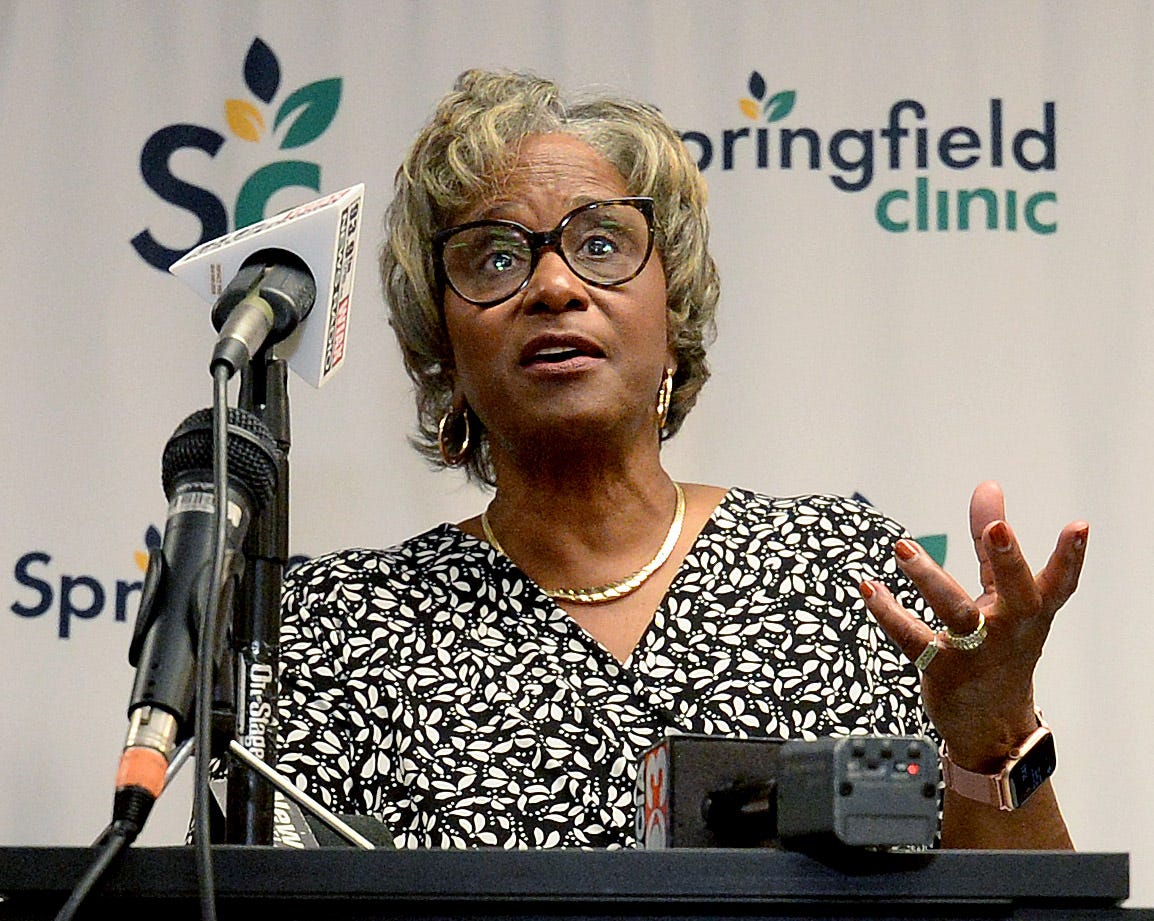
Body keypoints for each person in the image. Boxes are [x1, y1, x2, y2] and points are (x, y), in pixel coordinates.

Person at [275, 69, 1088, 850]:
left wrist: (995, 738)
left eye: (601, 242)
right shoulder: (337, 628)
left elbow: (1011, 913)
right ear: (443, 345)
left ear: (674, 315)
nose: (554, 284)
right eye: (496, 257)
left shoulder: (847, 576)